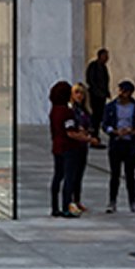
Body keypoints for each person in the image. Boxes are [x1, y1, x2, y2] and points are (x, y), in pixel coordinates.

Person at [102, 79, 135, 213]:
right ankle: (112, 201)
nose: (122, 94)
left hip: (130, 144)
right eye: (121, 90)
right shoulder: (110, 107)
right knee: (114, 175)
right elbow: (105, 124)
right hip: (116, 143)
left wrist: (134, 132)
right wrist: (114, 132)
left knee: (130, 175)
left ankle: (133, 201)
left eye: (125, 91)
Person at [63, 82, 99, 215]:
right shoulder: (70, 110)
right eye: (77, 92)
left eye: (82, 93)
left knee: (78, 176)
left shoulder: (84, 110)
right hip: (72, 146)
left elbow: (89, 125)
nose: (80, 96)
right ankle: (68, 203)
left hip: (82, 146)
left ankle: (77, 200)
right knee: (70, 176)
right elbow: (69, 129)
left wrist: (88, 132)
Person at [47, 86, 76, 219]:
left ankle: (54, 207)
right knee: (69, 177)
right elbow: (70, 131)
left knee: (57, 176)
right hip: (68, 147)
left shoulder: (54, 111)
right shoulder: (67, 112)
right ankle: (66, 207)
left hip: (57, 146)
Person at [85, 48, 112, 134]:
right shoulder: (93, 66)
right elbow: (91, 80)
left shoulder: (104, 67)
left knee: (100, 115)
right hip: (95, 95)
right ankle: (93, 134)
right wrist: (97, 91)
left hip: (102, 95)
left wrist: (106, 92)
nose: (107, 58)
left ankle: (96, 134)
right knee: (95, 115)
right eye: (105, 56)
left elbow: (105, 81)